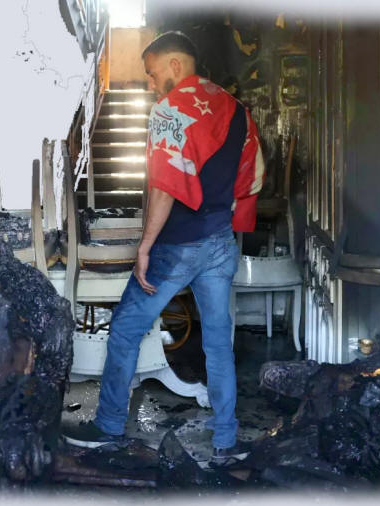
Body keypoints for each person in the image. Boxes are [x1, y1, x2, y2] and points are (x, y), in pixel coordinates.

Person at [63, 31, 264, 468]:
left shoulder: (170, 110)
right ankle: (226, 440)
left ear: (176, 65)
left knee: (125, 329)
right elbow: (252, 175)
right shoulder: (236, 109)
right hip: (220, 243)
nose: (152, 85)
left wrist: (145, 247)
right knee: (218, 343)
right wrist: (225, 216)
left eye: (153, 74)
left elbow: (165, 186)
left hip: (176, 246)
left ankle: (109, 427)